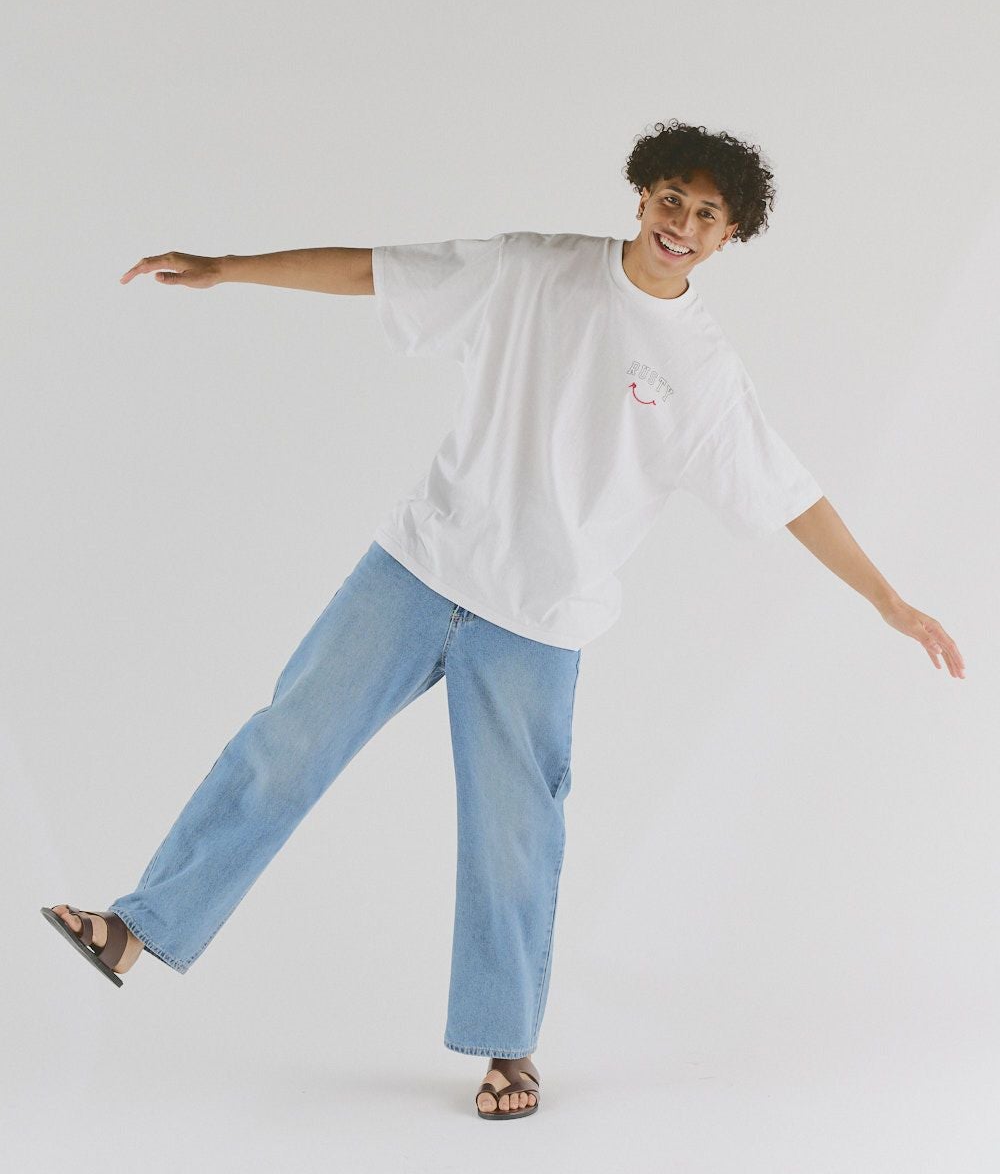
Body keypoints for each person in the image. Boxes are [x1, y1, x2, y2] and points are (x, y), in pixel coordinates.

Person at [42, 118, 965, 1121]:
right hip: (417, 569)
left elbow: (790, 495)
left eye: (707, 215)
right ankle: (135, 930)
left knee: (513, 837)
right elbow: (374, 271)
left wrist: (890, 600)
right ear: (641, 195)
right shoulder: (535, 268)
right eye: (670, 200)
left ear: (729, 235)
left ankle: (507, 1047)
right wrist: (227, 269)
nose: (681, 224)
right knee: (284, 746)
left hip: (540, 620)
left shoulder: (704, 372)